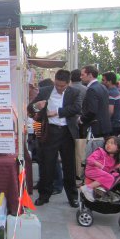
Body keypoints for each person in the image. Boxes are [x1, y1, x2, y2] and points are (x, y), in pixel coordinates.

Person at [28, 69, 80, 208]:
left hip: (67, 133)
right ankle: (44, 195)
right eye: (57, 85)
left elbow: (76, 108)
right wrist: (37, 106)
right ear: (54, 81)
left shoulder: (74, 92)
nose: (59, 88)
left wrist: (56, 112)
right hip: (50, 132)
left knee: (69, 166)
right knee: (47, 164)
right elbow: (30, 108)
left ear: (68, 83)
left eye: (62, 86)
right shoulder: (45, 91)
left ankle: (72, 196)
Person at [79, 136, 120, 202]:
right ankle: (88, 188)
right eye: (107, 143)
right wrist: (97, 163)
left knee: (117, 175)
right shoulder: (100, 151)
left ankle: (100, 189)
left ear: (118, 148)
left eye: (112, 143)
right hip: (92, 170)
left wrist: (115, 167)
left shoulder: (113, 160)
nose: (108, 145)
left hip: (100, 173)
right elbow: (89, 159)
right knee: (110, 177)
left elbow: (107, 170)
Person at [80, 65, 111, 138]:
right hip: (105, 126)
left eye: (82, 75)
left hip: (95, 128)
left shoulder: (92, 89)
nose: (81, 77)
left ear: (90, 75)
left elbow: (92, 110)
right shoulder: (103, 87)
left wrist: (81, 119)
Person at [101, 72, 120, 138]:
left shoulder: (110, 93)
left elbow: (110, 111)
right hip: (119, 122)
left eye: (103, 80)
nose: (102, 82)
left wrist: (105, 122)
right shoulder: (117, 91)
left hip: (113, 124)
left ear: (109, 81)